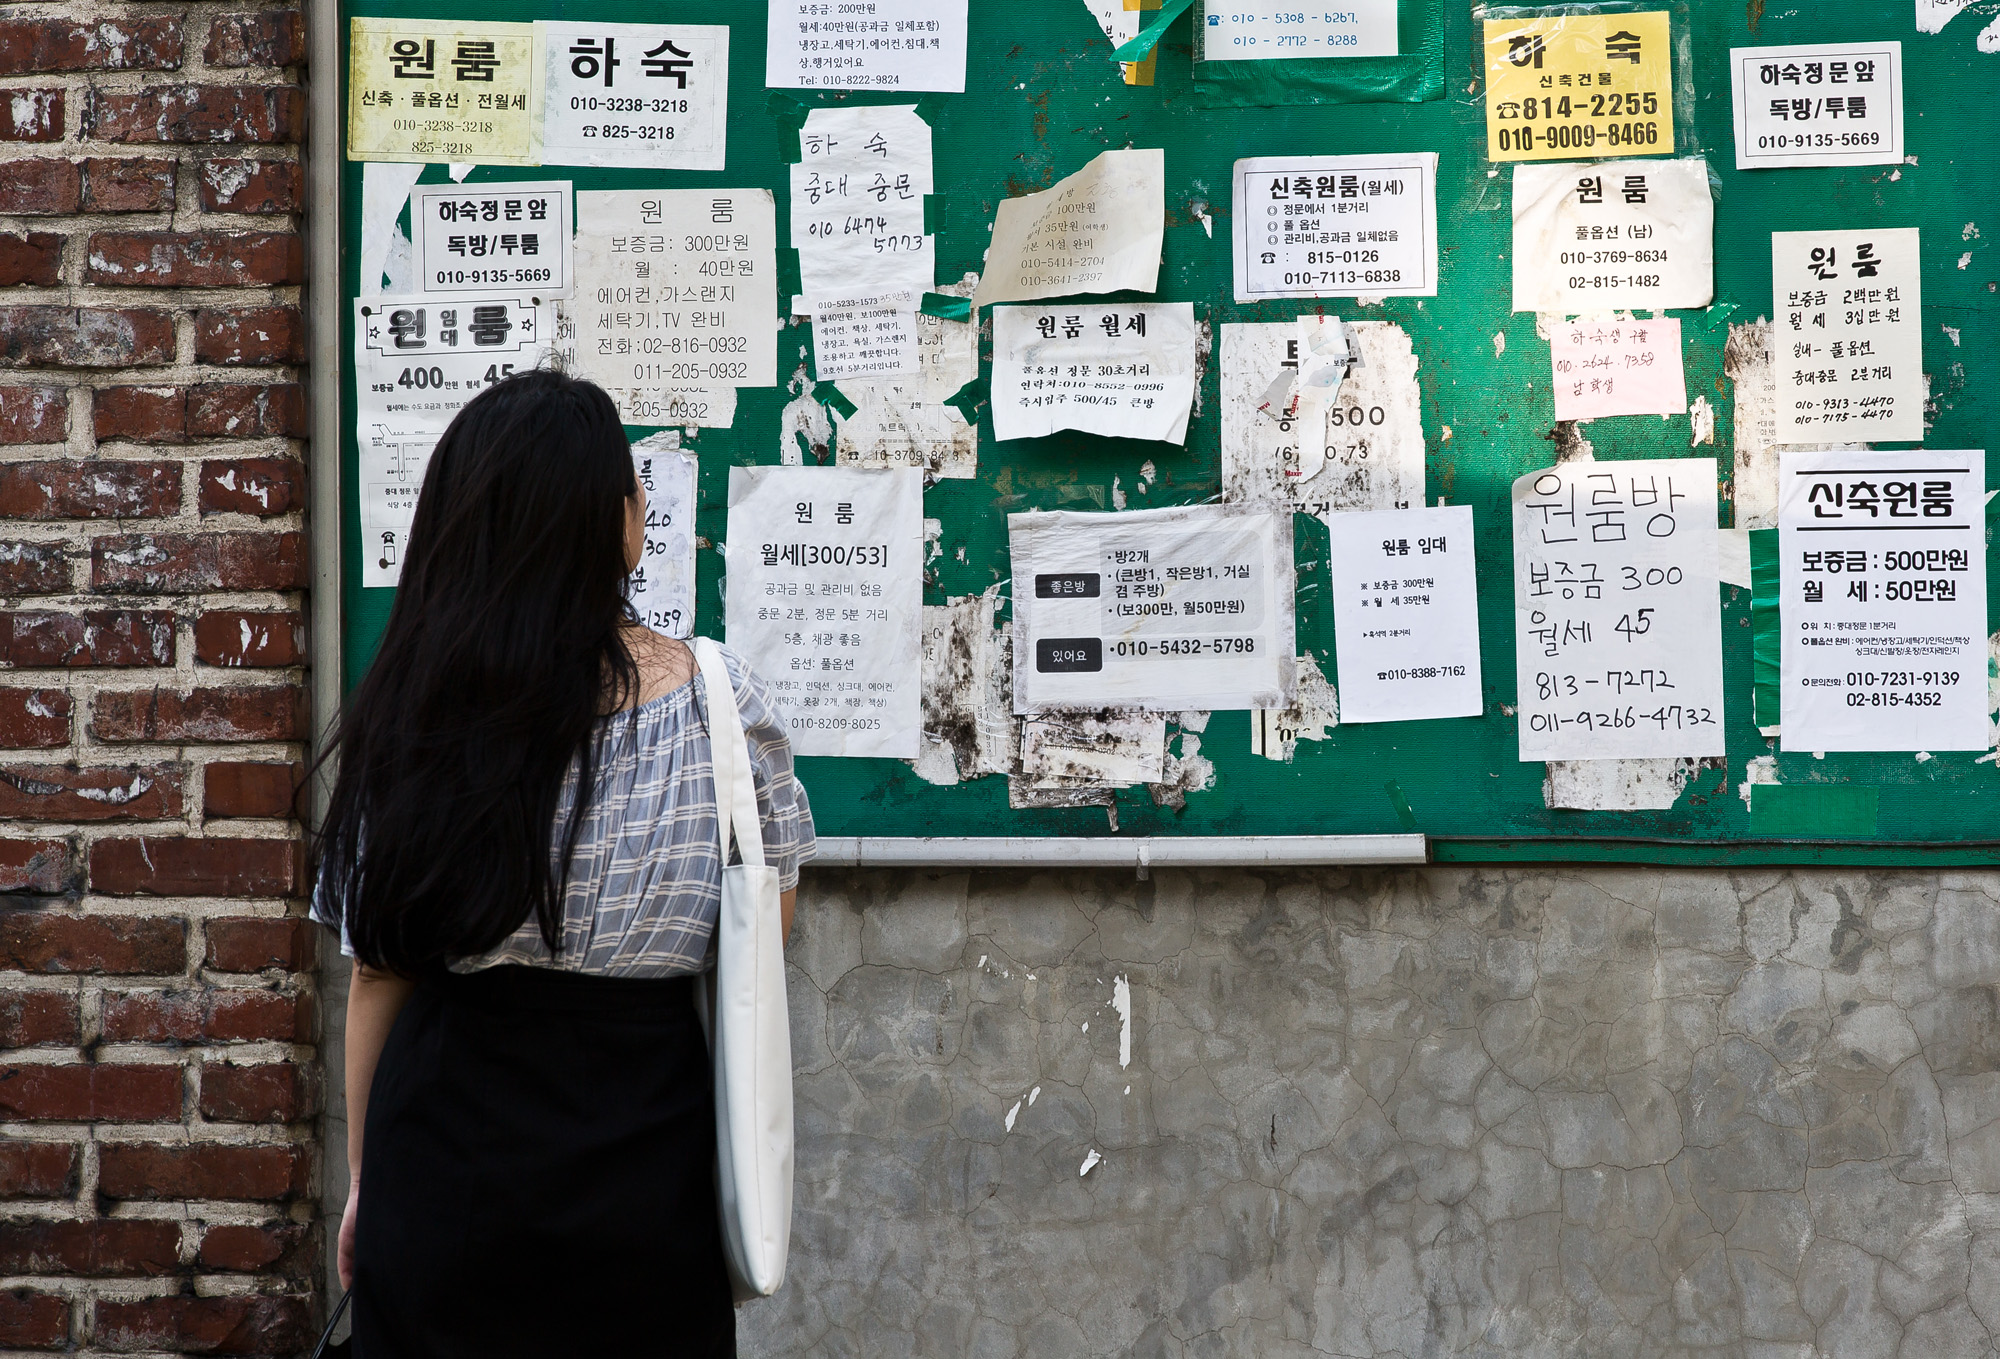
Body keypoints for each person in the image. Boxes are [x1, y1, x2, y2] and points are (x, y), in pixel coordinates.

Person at [313, 369, 814, 1357]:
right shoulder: (719, 703)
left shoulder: (416, 709)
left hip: (444, 1159)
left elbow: (379, 968)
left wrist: (369, 1181)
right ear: (619, 523)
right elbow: (763, 930)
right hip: (645, 1158)